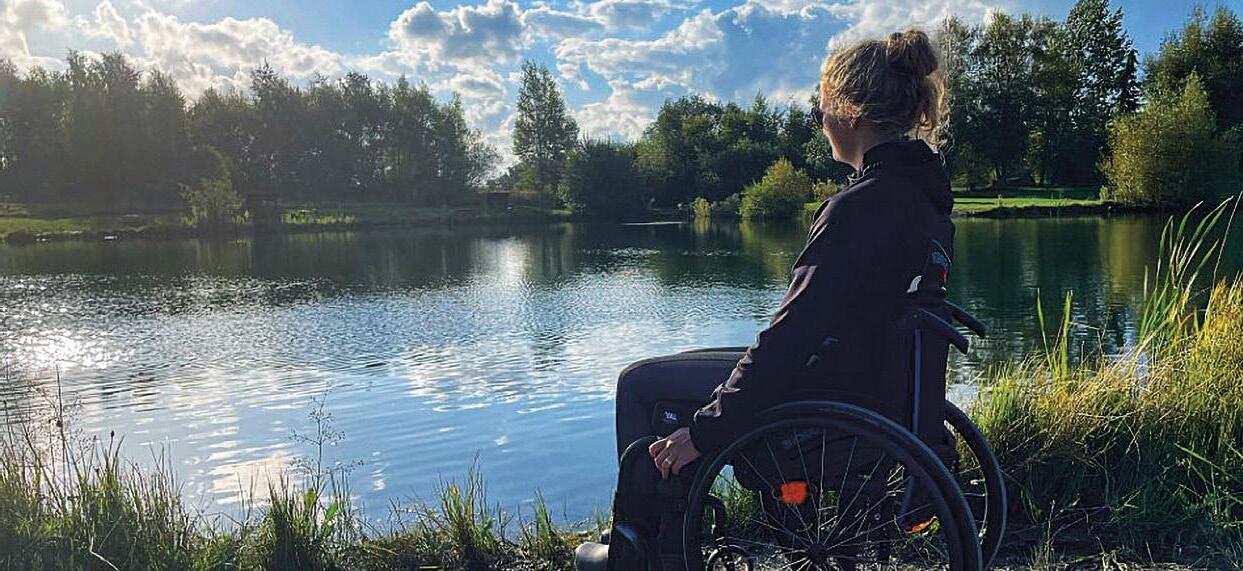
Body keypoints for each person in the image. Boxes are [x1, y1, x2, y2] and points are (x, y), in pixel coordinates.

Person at [578, 28, 955, 570]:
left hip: (828, 389)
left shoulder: (860, 208)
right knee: (696, 367)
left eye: (821, 108)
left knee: (641, 385)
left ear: (850, 113)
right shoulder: (925, 199)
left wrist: (706, 431)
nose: (819, 121)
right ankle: (675, 534)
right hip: (875, 385)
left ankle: (642, 553)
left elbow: (790, 337)